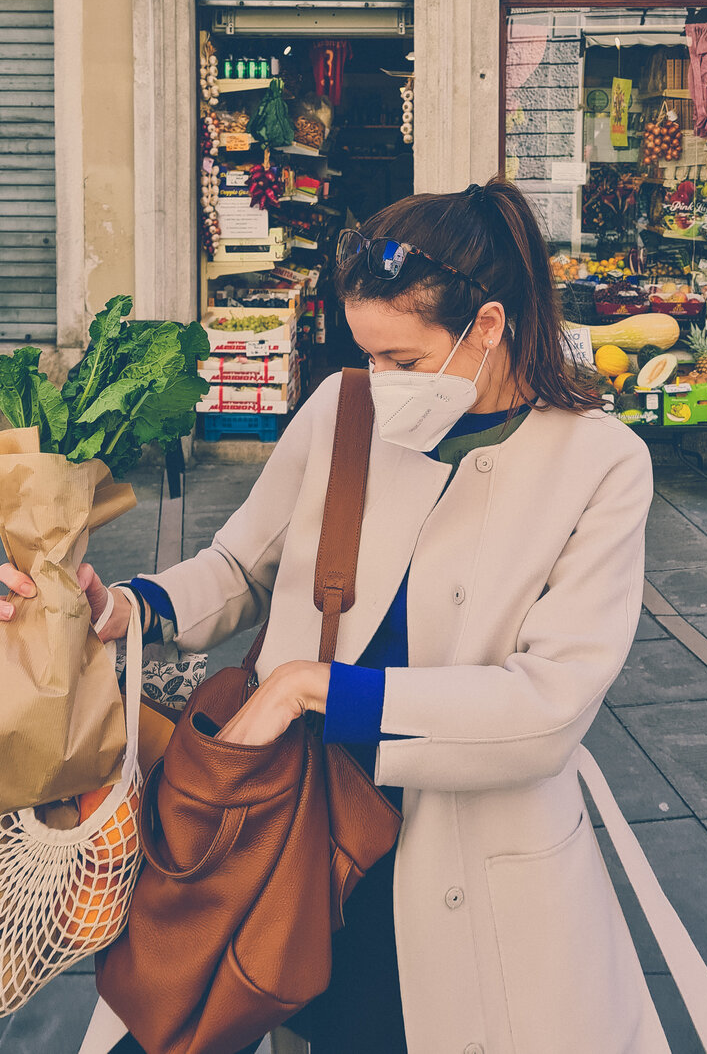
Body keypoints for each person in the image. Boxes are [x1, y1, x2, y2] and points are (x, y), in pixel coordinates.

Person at [1, 177, 667, 1054]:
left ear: (490, 327)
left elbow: (547, 706)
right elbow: (242, 564)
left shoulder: (601, 465)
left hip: (474, 862)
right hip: (295, 833)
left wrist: (315, 689)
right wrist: (127, 607)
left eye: (405, 361)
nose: (378, 381)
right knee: (199, 1018)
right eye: (366, 354)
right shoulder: (341, 409)